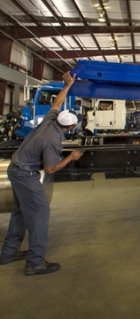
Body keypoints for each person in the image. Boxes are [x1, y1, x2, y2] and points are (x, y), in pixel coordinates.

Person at [0, 71, 84, 276]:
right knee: (40, 213)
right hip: (25, 175)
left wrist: (68, 85)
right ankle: (35, 262)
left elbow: (57, 103)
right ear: (71, 126)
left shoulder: (49, 121)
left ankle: (7, 254)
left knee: (20, 212)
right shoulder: (53, 140)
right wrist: (70, 158)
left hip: (16, 169)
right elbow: (50, 169)